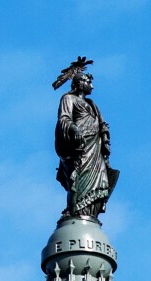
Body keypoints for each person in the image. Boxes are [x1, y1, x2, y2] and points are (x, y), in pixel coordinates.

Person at [55, 72, 118, 218]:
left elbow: (101, 125)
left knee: (100, 180)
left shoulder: (92, 104)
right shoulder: (68, 98)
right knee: (77, 178)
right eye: (89, 82)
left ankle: (91, 214)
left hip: (94, 148)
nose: (92, 86)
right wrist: (73, 128)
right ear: (80, 83)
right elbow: (64, 118)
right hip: (80, 147)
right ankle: (73, 211)